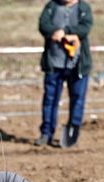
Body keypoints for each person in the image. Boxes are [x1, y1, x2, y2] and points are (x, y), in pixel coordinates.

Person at [35, 0, 93, 148]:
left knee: (77, 100)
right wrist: (56, 32)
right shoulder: (51, 6)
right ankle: (46, 133)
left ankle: (72, 133)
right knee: (50, 99)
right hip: (54, 64)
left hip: (77, 65)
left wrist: (67, 31)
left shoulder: (83, 8)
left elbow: (85, 27)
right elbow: (43, 25)